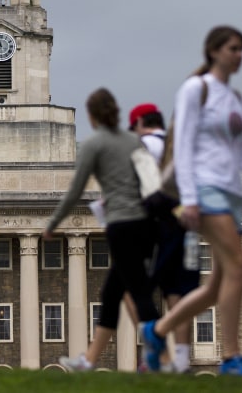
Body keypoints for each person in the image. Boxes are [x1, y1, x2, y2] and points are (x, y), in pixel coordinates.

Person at [140, 25, 242, 376]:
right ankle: (232, 357)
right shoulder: (196, 89)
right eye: (233, 48)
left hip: (232, 192)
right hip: (205, 190)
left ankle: (156, 331)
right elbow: (186, 144)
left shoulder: (234, 98)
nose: (239, 55)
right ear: (214, 51)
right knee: (239, 265)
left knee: (217, 285)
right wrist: (189, 198)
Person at [48, 88, 160, 372]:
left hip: (121, 226)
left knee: (137, 294)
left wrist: (53, 222)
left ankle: (164, 355)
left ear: (92, 116)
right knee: (112, 294)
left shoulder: (94, 144)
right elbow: (153, 183)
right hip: (145, 225)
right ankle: (88, 360)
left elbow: (75, 191)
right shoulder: (135, 143)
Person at [128, 103, 201, 373]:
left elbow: (146, 189)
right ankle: (180, 360)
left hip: (155, 226)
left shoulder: (143, 147)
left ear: (139, 124)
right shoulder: (180, 147)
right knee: (176, 294)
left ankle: (157, 351)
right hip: (184, 225)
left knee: (130, 289)